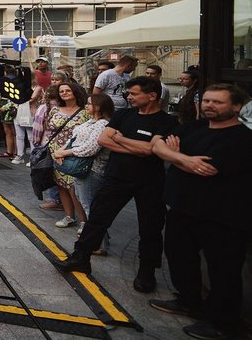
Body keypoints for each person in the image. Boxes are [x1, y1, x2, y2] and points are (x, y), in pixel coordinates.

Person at [55, 77, 178, 293]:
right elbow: (104, 140)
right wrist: (139, 148)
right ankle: (81, 257)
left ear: (152, 96)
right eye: (128, 93)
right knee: (97, 218)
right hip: (116, 177)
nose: (129, 97)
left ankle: (147, 272)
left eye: (134, 94)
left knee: (150, 227)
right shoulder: (123, 115)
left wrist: (121, 140)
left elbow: (150, 149)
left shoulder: (166, 121)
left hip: (149, 181)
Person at [150, 84, 252, 340]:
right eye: (207, 101)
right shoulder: (194, 127)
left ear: (236, 106)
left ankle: (224, 322)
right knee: (179, 255)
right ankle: (189, 301)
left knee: (223, 269)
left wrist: (174, 156)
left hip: (222, 215)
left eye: (217, 102)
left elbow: (208, 169)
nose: (209, 106)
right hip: (182, 207)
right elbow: (156, 145)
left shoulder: (242, 138)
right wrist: (184, 159)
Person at [54, 93, 114, 251]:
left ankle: (100, 245)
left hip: (92, 170)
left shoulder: (102, 124)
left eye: (89, 104)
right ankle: (99, 241)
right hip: (81, 169)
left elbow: (91, 148)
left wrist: (65, 152)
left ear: (98, 106)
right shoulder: (90, 122)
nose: (86, 106)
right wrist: (61, 151)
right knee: (86, 203)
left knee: (90, 206)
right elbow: (73, 140)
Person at [46, 83, 90, 229]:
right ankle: (69, 217)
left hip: (74, 153)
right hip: (55, 152)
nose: (64, 93)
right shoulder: (55, 110)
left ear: (75, 92)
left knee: (73, 187)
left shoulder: (85, 111)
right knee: (61, 185)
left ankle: (84, 221)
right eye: (61, 91)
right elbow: (48, 129)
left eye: (67, 90)